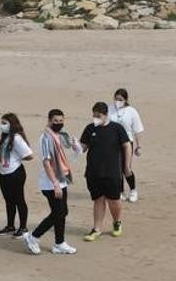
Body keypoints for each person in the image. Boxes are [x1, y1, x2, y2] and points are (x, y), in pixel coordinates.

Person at [23, 109, 80, 255]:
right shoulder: (45, 138)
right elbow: (46, 162)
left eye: (61, 121)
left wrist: (74, 145)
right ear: (49, 120)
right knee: (58, 212)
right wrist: (55, 183)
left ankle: (59, 243)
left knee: (62, 211)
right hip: (50, 182)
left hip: (62, 179)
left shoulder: (59, 135)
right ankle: (33, 236)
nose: (59, 124)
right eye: (55, 121)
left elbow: (68, 147)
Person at [79, 101, 132, 242]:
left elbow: (127, 146)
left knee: (113, 200)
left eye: (99, 116)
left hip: (112, 171)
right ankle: (97, 228)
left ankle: (117, 222)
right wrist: (75, 146)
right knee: (98, 199)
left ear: (106, 115)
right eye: (94, 115)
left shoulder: (116, 128)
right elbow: (83, 147)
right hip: (93, 171)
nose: (96, 118)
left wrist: (126, 166)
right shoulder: (90, 129)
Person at [0, 113, 34, 237]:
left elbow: (29, 155)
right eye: (2, 123)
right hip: (4, 173)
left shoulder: (16, 138)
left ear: (12, 124)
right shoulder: (5, 137)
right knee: (9, 201)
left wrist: (17, 159)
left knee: (19, 200)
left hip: (15, 173)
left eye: (5, 123)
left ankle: (23, 227)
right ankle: (10, 225)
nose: (2, 126)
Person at [108, 88, 146, 203]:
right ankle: (120, 191)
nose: (118, 101)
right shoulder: (109, 109)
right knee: (116, 169)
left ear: (126, 100)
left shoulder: (131, 111)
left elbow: (137, 130)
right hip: (112, 143)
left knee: (126, 168)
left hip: (127, 142)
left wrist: (139, 146)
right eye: (116, 99)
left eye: (121, 99)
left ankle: (133, 190)